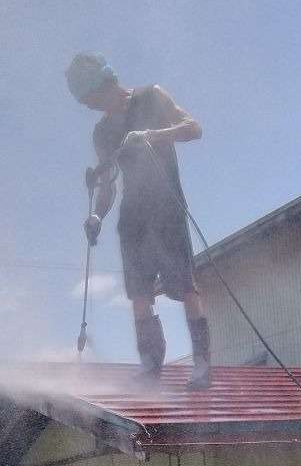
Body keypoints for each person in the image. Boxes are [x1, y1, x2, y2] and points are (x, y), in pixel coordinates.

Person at [66, 53, 213, 389]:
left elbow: (194, 128)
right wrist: (96, 215)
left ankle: (202, 362)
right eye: (88, 105)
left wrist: (152, 135)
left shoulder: (152, 97)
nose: (94, 108)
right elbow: (108, 184)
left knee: (185, 285)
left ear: (106, 83)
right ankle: (150, 362)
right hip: (134, 213)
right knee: (139, 292)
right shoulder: (103, 132)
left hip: (167, 205)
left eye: (94, 99)